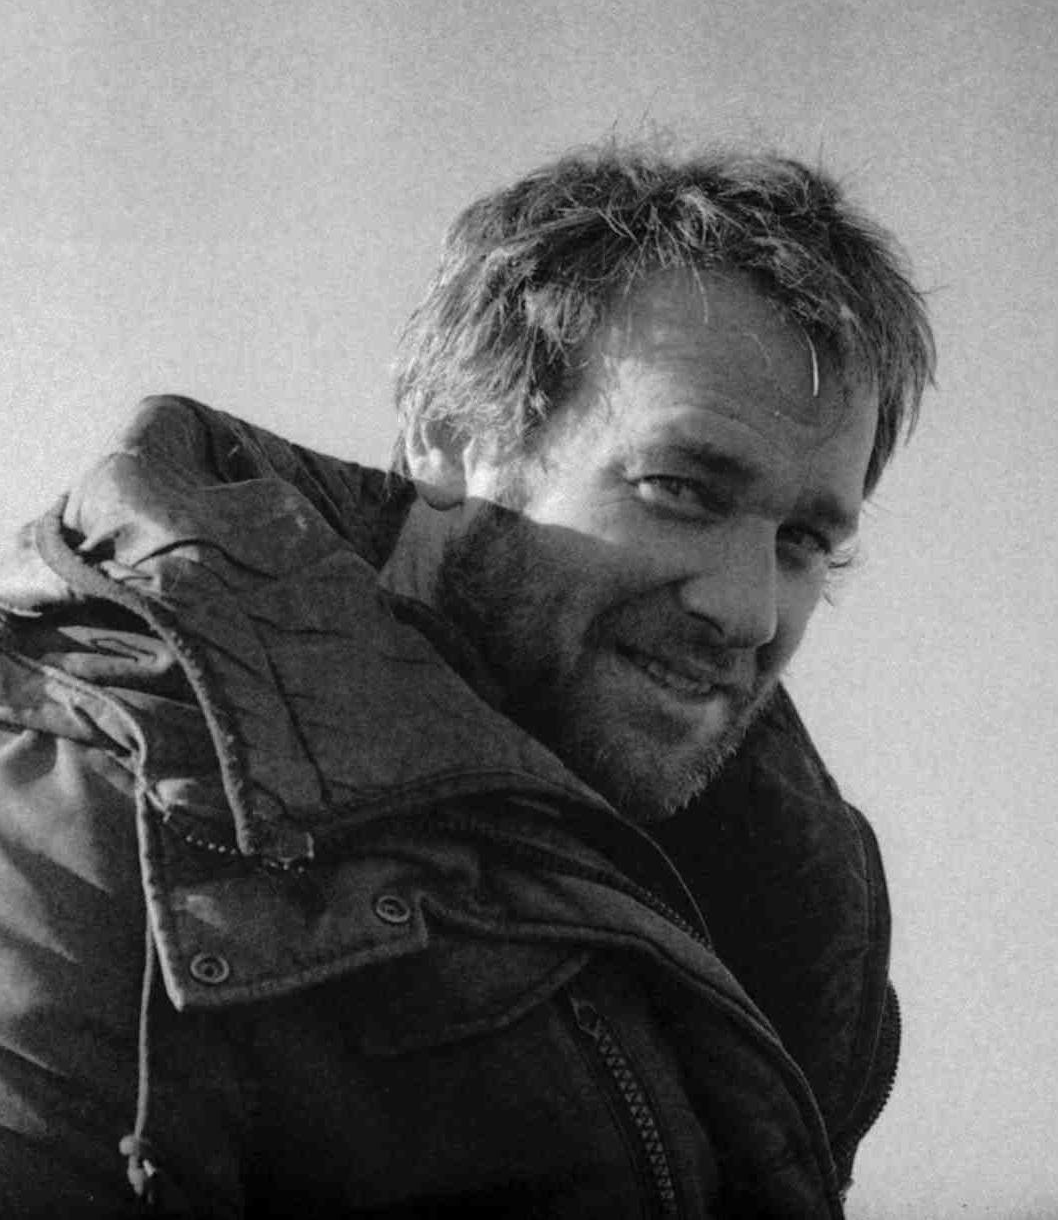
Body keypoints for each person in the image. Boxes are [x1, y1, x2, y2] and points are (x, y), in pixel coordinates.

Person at [0, 144, 934, 1217]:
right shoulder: (94, 806)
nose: (749, 610)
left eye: (804, 540)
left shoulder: (777, 892)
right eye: (679, 488)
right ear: (449, 441)